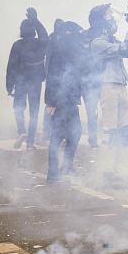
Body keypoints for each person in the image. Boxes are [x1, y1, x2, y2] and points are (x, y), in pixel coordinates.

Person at [88, 4, 128, 165]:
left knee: (126, 132)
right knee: (111, 133)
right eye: (109, 16)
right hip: (108, 88)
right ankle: (107, 172)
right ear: (101, 22)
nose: (113, 18)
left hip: (122, 85)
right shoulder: (97, 43)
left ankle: (124, 169)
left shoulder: (112, 40)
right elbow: (124, 49)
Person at [45, 21, 85, 183]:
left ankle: (67, 166)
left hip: (70, 100)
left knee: (75, 133)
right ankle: (53, 172)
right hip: (60, 101)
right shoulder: (59, 51)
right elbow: (52, 77)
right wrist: (51, 102)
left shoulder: (70, 51)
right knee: (57, 136)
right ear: (69, 34)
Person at [6, 8, 48, 150]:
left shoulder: (17, 45)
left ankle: (21, 131)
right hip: (35, 82)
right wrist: (35, 20)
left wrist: (9, 86)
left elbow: (11, 66)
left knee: (18, 108)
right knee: (34, 112)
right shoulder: (40, 43)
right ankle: (30, 142)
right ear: (33, 31)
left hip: (21, 81)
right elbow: (45, 35)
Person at [42, 18, 64, 142]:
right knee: (52, 103)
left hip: (52, 75)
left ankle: (48, 131)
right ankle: (48, 131)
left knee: (51, 103)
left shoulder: (53, 40)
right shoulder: (54, 41)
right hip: (54, 75)